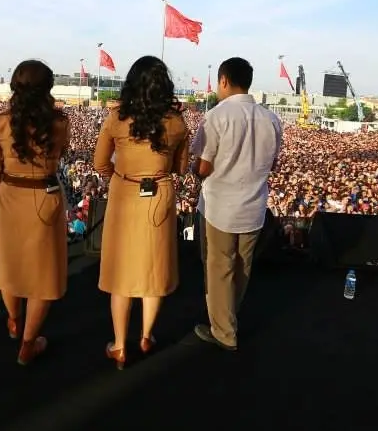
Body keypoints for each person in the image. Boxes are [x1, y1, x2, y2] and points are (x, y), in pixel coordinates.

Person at [94, 55, 189, 369]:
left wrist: (119, 179)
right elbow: (181, 168)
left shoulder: (116, 118)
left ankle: (120, 346)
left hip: (124, 194)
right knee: (154, 266)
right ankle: (146, 336)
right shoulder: (176, 122)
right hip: (159, 194)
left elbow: (99, 164)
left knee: (121, 273)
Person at [190, 57, 283, 351]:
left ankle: (224, 332)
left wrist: (194, 171)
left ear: (224, 81)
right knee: (242, 266)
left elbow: (203, 167)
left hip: (220, 207)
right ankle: (228, 317)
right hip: (253, 206)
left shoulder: (216, 117)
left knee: (219, 268)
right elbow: (274, 164)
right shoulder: (271, 119)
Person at [0, 60, 70, 365]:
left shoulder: (1, 123)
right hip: (45, 197)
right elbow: (59, 154)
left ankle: (13, 319)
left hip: (9, 197)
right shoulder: (60, 123)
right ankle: (28, 343)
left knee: (10, 267)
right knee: (43, 276)